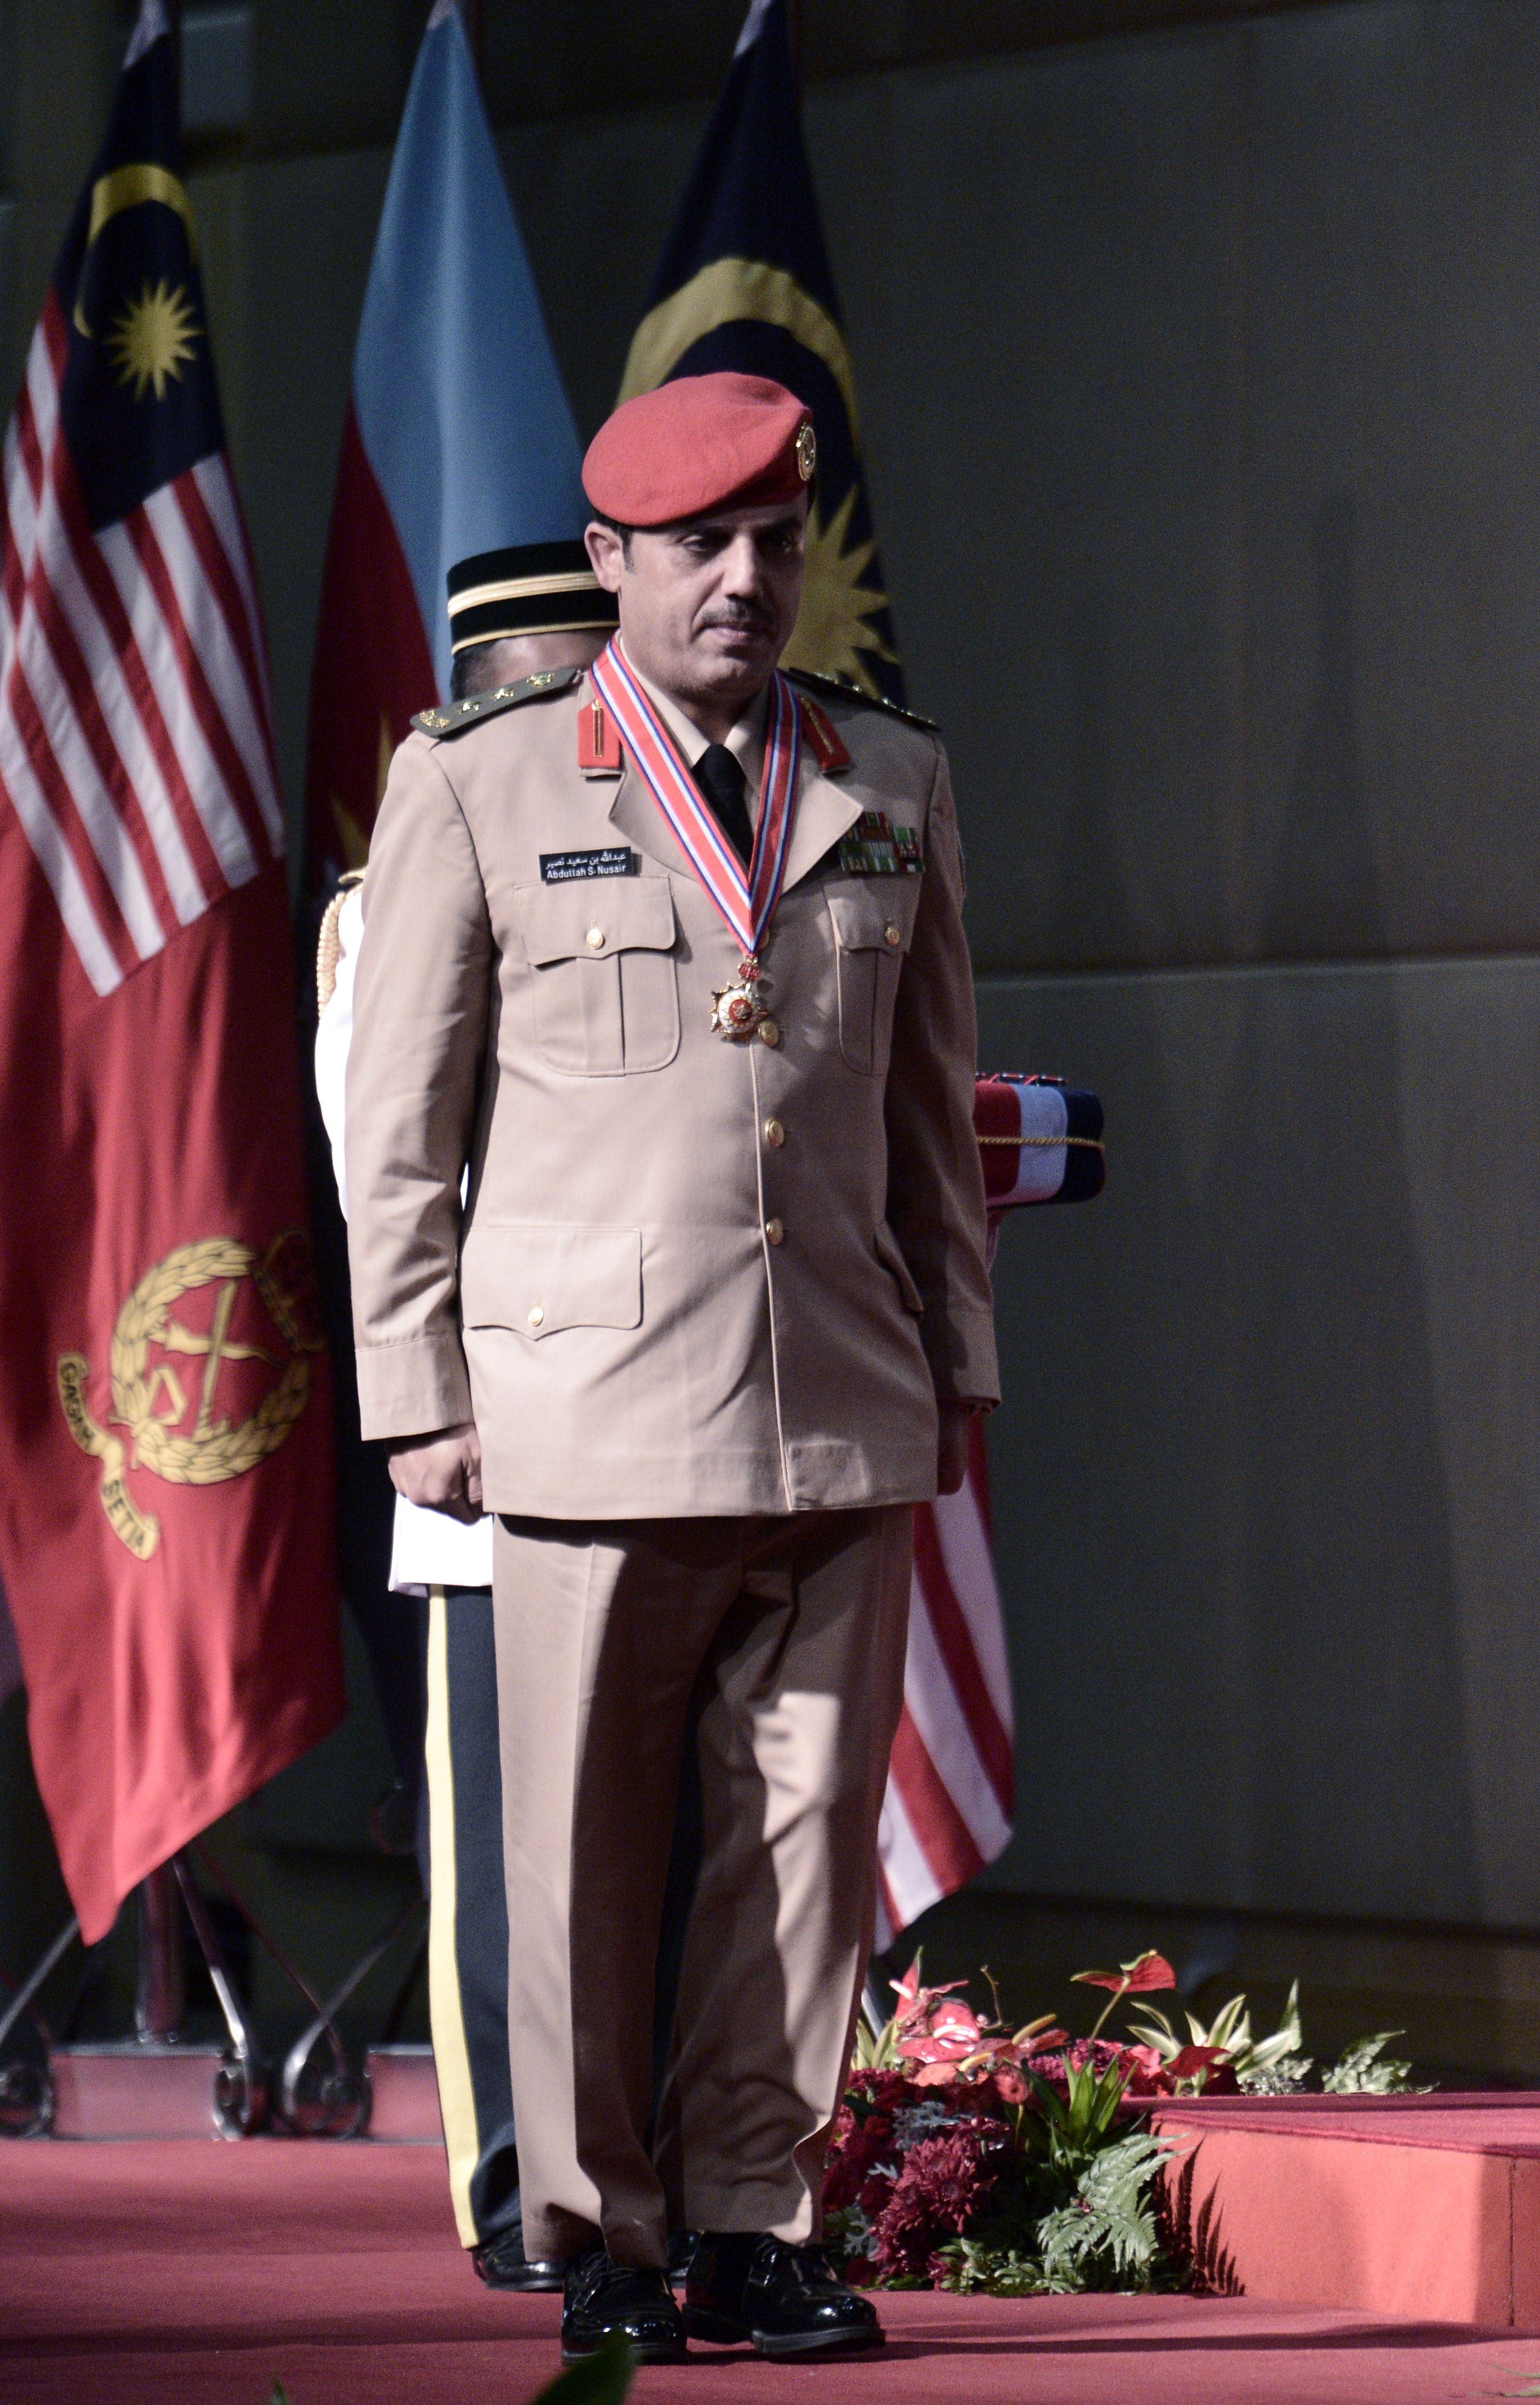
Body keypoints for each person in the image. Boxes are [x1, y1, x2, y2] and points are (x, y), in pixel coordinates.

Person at [342, 373, 996, 2362]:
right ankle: (598, 2228)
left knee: (803, 1850)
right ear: (611, 561)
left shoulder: (887, 777)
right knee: (585, 1850)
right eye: (698, 545)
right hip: (585, 1412)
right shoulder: (479, 780)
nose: (744, 579)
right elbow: (398, 1128)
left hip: (838, 1398)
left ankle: (751, 2217)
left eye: (774, 541)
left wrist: (955, 1360)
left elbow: (920, 1113)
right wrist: (414, 1390)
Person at [312, 543, 616, 2295]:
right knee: (509, 1850)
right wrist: (436, 1403)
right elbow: (392, 1175)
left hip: (672, 1424)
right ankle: (516, 2176)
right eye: (563, 686)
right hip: (502, 1432)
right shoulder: (393, 893)